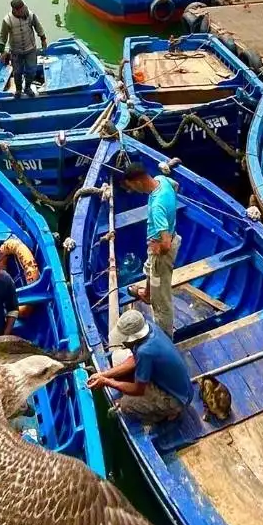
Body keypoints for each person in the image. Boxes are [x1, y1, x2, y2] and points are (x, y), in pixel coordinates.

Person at [89, 307, 192, 427]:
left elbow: (137, 389)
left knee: (126, 405)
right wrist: (104, 374)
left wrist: (107, 382)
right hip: (179, 387)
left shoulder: (145, 352)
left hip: (177, 399)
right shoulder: (151, 327)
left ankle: (167, 413)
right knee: (124, 367)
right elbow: (133, 360)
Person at [123, 160, 179, 331]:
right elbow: (175, 185)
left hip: (161, 253)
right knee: (149, 270)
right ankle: (146, 293)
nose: (132, 190)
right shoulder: (162, 180)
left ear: (139, 181)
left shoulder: (157, 206)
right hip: (170, 237)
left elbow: (166, 244)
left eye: (132, 186)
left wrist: (159, 249)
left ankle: (165, 337)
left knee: (161, 301)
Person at [0, 0, 47, 96]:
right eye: (20, 10)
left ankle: (27, 87)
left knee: (32, 70)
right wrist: (2, 51)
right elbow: (2, 37)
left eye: (23, 8)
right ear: (14, 10)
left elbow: (38, 27)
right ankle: (19, 90)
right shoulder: (7, 20)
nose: (22, 11)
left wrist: (43, 39)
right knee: (17, 72)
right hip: (16, 51)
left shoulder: (30, 15)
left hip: (30, 49)